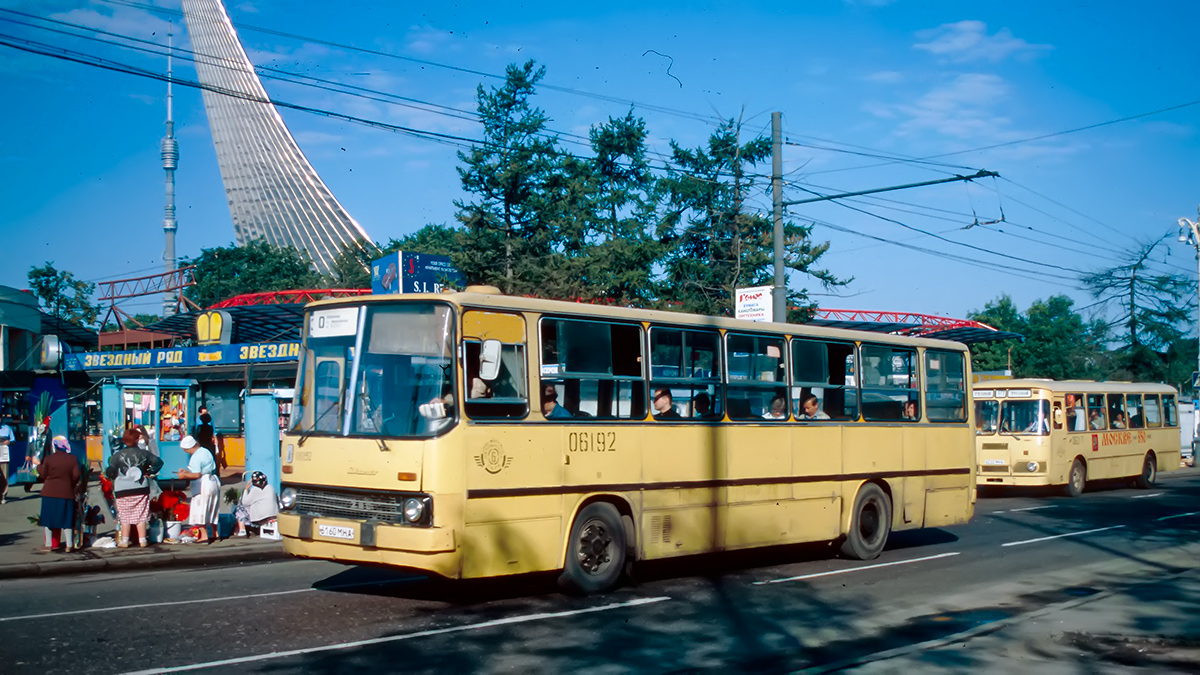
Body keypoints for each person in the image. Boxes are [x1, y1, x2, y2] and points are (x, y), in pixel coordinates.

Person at [106, 428, 164, 548]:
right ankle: (142, 540)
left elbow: (110, 471)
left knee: (124, 515)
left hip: (122, 488)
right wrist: (148, 472)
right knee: (141, 515)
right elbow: (158, 462)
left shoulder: (117, 455)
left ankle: (124, 540)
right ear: (137, 439)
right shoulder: (144, 453)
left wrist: (116, 476)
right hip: (140, 486)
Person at [39, 435, 81, 552]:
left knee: (48, 519)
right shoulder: (72, 459)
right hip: (66, 492)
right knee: (67, 519)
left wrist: (37, 465)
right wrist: (70, 484)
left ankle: (48, 544)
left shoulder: (49, 459)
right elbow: (76, 475)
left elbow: (43, 474)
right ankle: (69, 544)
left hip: (49, 492)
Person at [176, 435, 219, 543]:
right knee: (212, 507)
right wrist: (186, 472)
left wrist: (184, 476)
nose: (186, 452)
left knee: (201, 508)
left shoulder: (195, 457)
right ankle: (215, 532)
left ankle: (204, 536)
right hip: (213, 480)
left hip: (203, 483)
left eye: (185, 450)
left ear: (188, 448)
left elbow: (196, 475)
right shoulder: (205, 451)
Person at [234, 471, 279, 537]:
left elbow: (245, 502)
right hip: (273, 514)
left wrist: (246, 489)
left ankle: (242, 530)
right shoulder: (271, 488)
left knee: (239, 509)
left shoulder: (255, 489)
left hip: (262, 518)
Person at [0, 415, 13, 504]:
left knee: (4, 476)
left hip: (3, 454)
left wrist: (9, 442)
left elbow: (13, 440)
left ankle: (3, 496)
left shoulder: (7, 428)